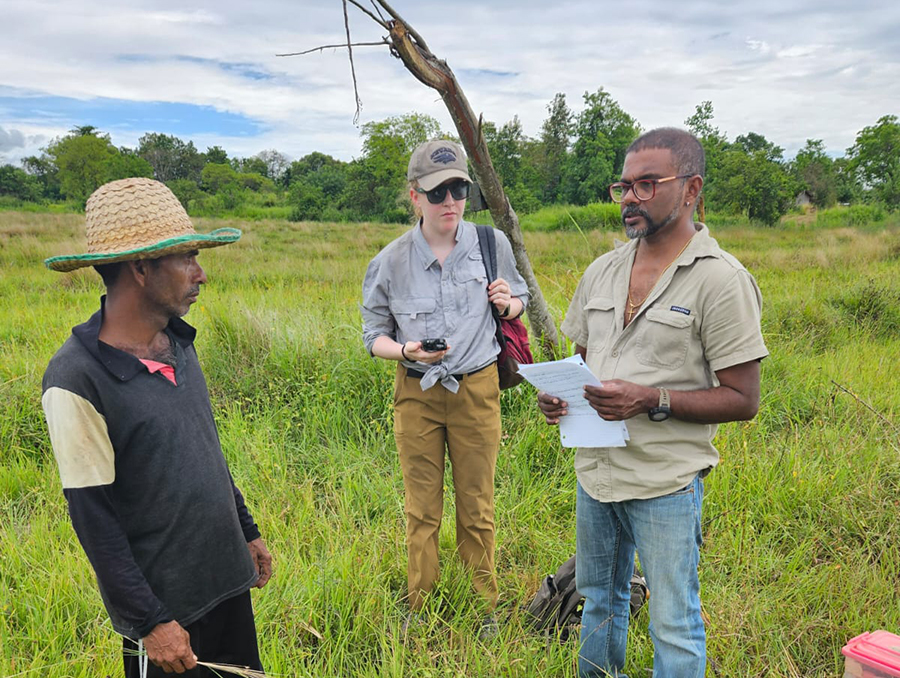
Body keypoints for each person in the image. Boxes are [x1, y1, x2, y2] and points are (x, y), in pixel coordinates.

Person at [537, 128, 768, 677]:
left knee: (672, 619)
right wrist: (560, 397)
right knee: (599, 602)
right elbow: (581, 362)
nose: (630, 198)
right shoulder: (603, 271)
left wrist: (651, 399)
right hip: (597, 475)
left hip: (664, 482)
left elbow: (743, 399)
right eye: (624, 186)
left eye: (647, 184)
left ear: (690, 190)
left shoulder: (720, 281)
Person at [41, 177, 272, 677]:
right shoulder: (75, 378)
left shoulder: (178, 343)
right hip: (169, 619)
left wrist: (246, 531)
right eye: (187, 257)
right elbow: (92, 517)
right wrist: (150, 622)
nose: (201, 274)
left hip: (225, 580)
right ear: (141, 268)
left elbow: (204, 449)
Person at [361, 140, 529, 635]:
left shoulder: (490, 243)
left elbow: (518, 299)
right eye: (437, 193)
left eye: (458, 189)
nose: (450, 202)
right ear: (414, 197)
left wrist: (508, 304)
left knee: (477, 503)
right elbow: (373, 337)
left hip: (477, 388)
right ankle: (420, 605)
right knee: (422, 507)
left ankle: (485, 606)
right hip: (417, 391)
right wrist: (407, 351)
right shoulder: (389, 262)